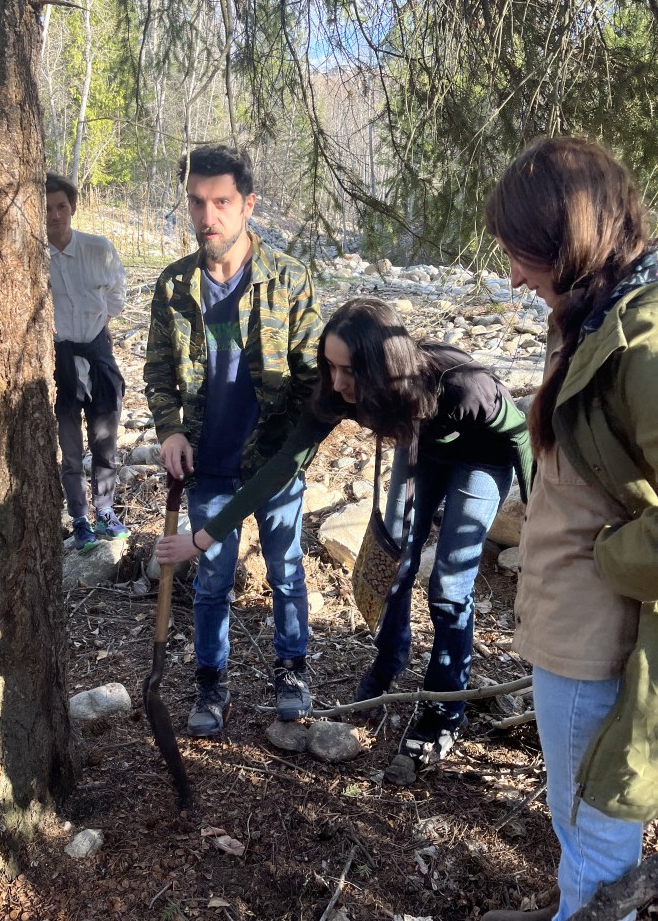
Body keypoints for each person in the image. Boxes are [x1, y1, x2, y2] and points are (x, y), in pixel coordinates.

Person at [157, 296, 532, 768]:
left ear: (381, 364)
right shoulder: (337, 391)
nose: (337, 383)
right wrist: (206, 536)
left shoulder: (462, 386)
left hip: (481, 454)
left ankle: (443, 711)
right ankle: (389, 660)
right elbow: (282, 466)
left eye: (349, 370)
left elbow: (518, 434)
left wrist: (536, 519)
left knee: (449, 588)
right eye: (330, 367)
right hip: (420, 445)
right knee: (393, 553)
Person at [482, 136, 658, 921]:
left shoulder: (642, 344)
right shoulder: (590, 315)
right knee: (578, 826)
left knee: (597, 839)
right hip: (568, 632)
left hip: (600, 642)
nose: (514, 277)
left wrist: (611, 558)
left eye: (525, 256)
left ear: (574, 240)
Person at [144, 145, 322, 737]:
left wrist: (292, 457)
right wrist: (169, 429)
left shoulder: (290, 281)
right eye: (197, 202)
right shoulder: (174, 287)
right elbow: (157, 372)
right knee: (213, 578)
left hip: (272, 466)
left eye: (221, 202)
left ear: (248, 205)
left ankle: (292, 671)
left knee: (286, 571)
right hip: (209, 466)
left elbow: (312, 382)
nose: (207, 216)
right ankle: (210, 682)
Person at [46, 173, 128, 553]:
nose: (55, 215)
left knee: (105, 439)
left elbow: (116, 291)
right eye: (47, 209)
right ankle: (79, 519)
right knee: (70, 446)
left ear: (73, 207)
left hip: (98, 353)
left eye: (61, 206)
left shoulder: (98, 249)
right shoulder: (32, 258)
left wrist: (100, 328)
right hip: (58, 361)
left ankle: (105, 511)